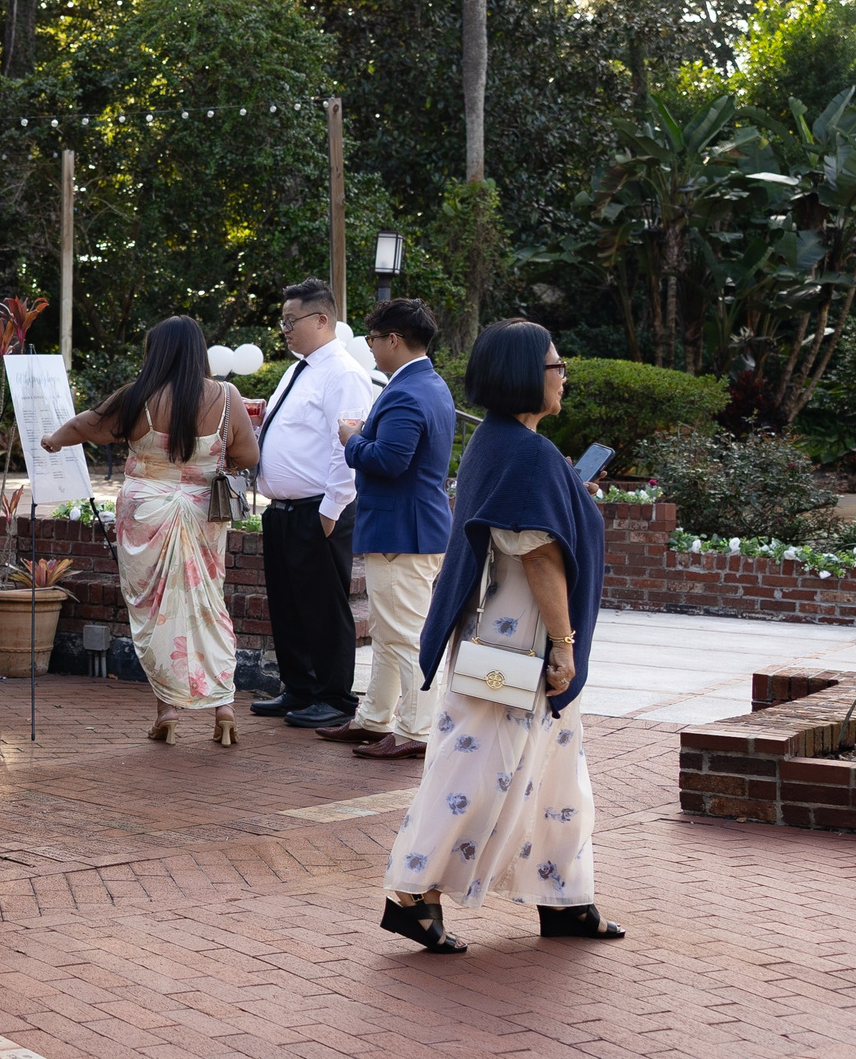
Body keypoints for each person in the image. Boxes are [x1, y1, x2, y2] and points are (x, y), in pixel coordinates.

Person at [379, 319, 620, 954]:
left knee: (555, 768)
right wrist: (564, 644)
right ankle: (412, 891)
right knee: (477, 767)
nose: (563, 376)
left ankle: (564, 895)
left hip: (500, 634)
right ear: (523, 374)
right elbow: (538, 555)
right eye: (555, 365)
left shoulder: (504, 442)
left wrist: (572, 495)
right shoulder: (525, 451)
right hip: (518, 644)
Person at [40, 316, 259, 746]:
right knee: (206, 605)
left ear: (155, 351)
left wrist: (52, 440)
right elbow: (248, 455)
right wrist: (206, 466)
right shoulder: (228, 397)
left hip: (147, 513)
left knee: (157, 612)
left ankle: (168, 711)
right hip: (202, 514)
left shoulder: (138, 395)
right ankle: (224, 707)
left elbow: (88, 425)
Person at [322, 299, 456, 761]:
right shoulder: (429, 384)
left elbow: (389, 460)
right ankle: (376, 718)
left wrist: (351, 440)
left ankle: (417, 728)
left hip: (403, 532)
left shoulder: (405, 391)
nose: (371, 348)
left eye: (374, 339)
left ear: (393, 340)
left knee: (403, 634)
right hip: (412, 527)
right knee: (388, 629)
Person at [248, 278, 378, 731]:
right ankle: (299, 687)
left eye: (291, 320)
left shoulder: (343, 373)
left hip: (318, 508)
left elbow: (349, 447)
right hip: (283, 509)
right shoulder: (298, 369)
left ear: (322, 320)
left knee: (323, 605)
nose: (284, 329)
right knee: (287, 604)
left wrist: (331, 509)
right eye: (282, 321)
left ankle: (334, 696)